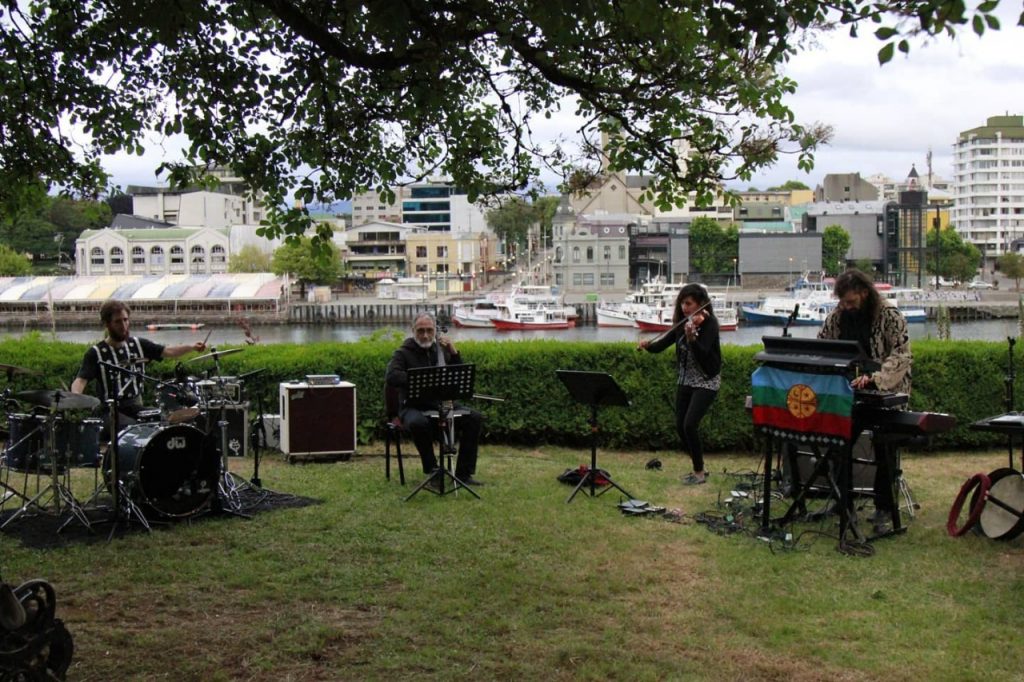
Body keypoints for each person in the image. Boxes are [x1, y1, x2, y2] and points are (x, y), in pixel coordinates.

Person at [818, 268, 912, 532]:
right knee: (840, 439)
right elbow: (824, 344)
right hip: (851, 391)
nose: (846, 307)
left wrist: (876, 378)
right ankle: (842, 500)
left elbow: (901, 355)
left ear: (864, 292)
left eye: (851, 302)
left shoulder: (889, 316)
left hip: (887, 392)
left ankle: (883, 507)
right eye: (843, 302)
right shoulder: (838, 315)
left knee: (885, 448)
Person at [71, 299, 207, 427]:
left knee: (168, 420)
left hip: (135, 407)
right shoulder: (96, 353)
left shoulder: (138, 344)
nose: (123, 326)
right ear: (107, 324)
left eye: (125, 320)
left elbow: (168, 351)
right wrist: (76, 398)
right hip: (109, 411)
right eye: (118, 322)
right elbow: (81, 380)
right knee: (133, 427)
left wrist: (192, 347)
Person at [385, 312, 483, 487]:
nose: (425, 335)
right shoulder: (402, 352)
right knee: (418, 423)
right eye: (420, 331)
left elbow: (458, 375)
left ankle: (463, 473)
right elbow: (392, 376)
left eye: (429, 331)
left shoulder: (440, 350)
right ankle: (433, 470)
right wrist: (418, 378)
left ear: (435, 331)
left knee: (474, 418)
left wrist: (453, 353)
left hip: (440, 404)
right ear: (413, 330)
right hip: (413, 405)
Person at [637, 283, 722, 485]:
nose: (685, 307)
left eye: (689, 303)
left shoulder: (710, 324)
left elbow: (703, 354)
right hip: (685, 380)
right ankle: (698, 467)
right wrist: (648, 346)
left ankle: (699, 473)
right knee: (680, 427)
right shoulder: (682, 324)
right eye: (682, 303)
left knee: (690, 424)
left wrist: (693, 339)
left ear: (701, 304)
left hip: (706, 380)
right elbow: (663, 344)